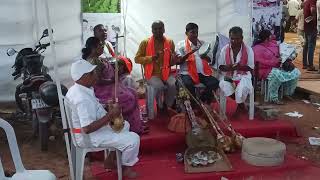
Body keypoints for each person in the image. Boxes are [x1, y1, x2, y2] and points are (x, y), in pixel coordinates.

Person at [66, 60, 140, 178]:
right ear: (84, 77)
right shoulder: (82, 98)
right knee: (133, 139)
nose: (96, 75)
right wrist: (110, 115)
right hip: (88, 137)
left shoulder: (77, 89)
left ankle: (110, 159)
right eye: (92, 73)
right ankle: (125, 167)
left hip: (87, 132)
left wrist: (106, 107)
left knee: (125, 125)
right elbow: (87, 128)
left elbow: (91, 111)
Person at [82, 37, 147, 134]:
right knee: (129, 97)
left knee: (133, 92)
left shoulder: (97, 59)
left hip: (109, 87)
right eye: (100, 45)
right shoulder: (93, 61)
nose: (102, 47)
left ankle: (135, 125)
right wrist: (112, 80)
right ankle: (128, 128)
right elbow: (97, 81)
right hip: (102, 92)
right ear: (93, 48)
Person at [135, 20, 176, 111]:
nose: (158, 31)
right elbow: (137, 59)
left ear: (164, 29)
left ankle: (167, 105)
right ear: (152, 30)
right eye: (155, 29)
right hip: (152, 74)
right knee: (159, 86)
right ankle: (159, 105)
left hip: (166, 73)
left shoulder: (170, 42)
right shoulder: (145, 43)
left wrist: (175, 59)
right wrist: (151, 58)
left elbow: (171, 61)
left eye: (160, 28)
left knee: (173, 84)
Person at [175, 22, 219, 105]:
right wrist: (189, 53)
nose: (195, 35)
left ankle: (202, 101)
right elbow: (178, 61)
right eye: (192, 32)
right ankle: (194, 105)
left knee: (215, 82)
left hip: (202, 73)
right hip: (187, 73)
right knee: (188, 84)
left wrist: (205, 56)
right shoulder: (181, 45)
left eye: (196, 32)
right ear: (186, 33)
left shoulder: (203, 44)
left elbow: (210, 60)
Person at [253, 30, 301, 104]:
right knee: (276, 74)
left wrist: (287, 59)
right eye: (270, 35)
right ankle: (274, 98)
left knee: (295, 72)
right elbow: (260, 62)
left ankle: (287, 93)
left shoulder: (274, 44)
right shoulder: (257, 48)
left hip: (277, 66)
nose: (272, 36)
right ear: (267, 38)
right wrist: (275, 61)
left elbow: (282, 53)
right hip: (263, 69)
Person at [217, 26, 254, 116]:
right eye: (232, 39)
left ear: (242, 38)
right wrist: (228, 67)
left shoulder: (248, 49)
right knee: (224, 85)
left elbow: (250, 67)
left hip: (243, 76)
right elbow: (220, 66)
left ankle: (240, 105)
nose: (234, 41)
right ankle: (241, 105)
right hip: (228, 75)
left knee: (241, 89)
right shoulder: (225, 49)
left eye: (237, 39)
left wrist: (239, 67)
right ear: (229, 38)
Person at [303, 0, 317, 71]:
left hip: (306, 26)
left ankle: (305, 64)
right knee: (311, 46)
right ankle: (310, 65)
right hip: (311, 27)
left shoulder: (306, 2)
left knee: (306, 45)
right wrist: (314, 18)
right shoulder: (312, 1)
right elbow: (313, 9)